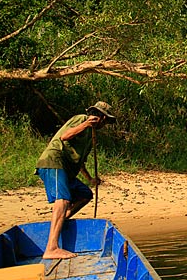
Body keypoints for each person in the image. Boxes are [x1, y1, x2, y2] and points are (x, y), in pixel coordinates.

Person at [35, 101, 116, 259]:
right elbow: (65, 136)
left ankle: (60, 221)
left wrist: (90, 178)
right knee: (63, 200)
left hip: (67, 171)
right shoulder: (80, 119)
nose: (104, 124)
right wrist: (85, 124)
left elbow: (80, 163)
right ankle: (52, 248)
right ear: (99, 117)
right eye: (105, 120)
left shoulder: (90, 137)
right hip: (55, 161)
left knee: (85, 193)